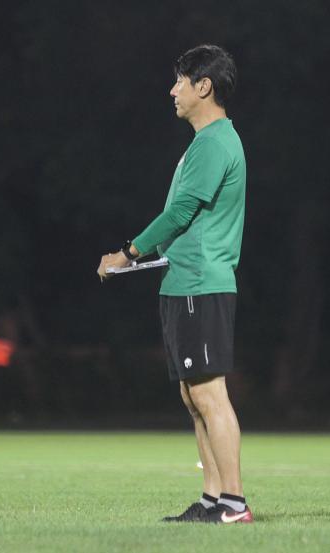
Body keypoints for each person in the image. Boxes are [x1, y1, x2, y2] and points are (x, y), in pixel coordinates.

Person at [97, 44, 250, 524]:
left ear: (204, 86)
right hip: (184, 282)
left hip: (200, 284)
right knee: (193, 396)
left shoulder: (216, 142)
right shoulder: (207, 142)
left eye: (180, 81)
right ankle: (212, 499)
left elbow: (179, 213)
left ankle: (234, 503)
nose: (173, 90)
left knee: (209, 394)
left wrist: (127, 252)